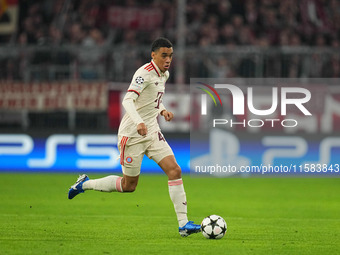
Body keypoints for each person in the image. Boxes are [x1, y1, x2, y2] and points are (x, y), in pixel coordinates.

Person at [68, 37, 201, 237]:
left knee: (175, 170)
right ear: (153, 55)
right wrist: (138, 121)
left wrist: (163, 110)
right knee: (129, 186)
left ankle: (183, 225)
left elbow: (154, 99)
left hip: (152, 131)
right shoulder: (143, 74)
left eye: (171, 56)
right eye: (164, 55)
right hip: (132, 134)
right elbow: (128, 100)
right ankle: (84, 184)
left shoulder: (163, 75)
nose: (168, 60)